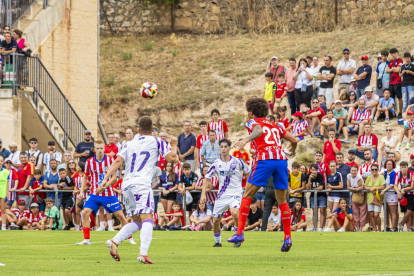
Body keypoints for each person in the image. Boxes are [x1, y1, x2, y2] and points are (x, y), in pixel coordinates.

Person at [227, 97, 300, 251]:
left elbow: (258, 130)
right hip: (280, 160)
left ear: (251, 112)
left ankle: (239, 233)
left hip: (264, 160)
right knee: (282, 201)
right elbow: (294, 139)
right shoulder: (275, 125)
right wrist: (292, 150)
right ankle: (287, 238)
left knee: (247, 195)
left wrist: (246, 139)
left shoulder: (252, 122)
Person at [103, 118, 176, 263]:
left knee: (137, 221)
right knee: (148, 219)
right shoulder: (157, 141)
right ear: (153, 129)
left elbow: (118, 161)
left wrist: (105, 178)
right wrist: (173, 144)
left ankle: (115, 241)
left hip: (127, 184)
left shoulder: (128, 143)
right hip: (142, 183)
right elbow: (171, 158)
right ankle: (143, 253)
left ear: (138, 129)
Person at [75, 140, 128, 245]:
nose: (99, 151)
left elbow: (114, 178)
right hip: (94, 193)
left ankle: (130, 237)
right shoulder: (89, 161)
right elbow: (85, 176)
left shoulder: (109, 160)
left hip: (108, 194)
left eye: (101, 148)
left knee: (120, 215)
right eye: (97, 148)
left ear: (104, 149)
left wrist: (105, 186)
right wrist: (81, 191)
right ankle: (86, 240)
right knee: (85, 213)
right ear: (94, 149)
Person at [200, 138, 250, 247]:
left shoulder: (238, 161)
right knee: (216, 220)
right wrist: (203, 194)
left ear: (229, 148)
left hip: (236, 193)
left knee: (235, 213)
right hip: (222, 195)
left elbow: (248, 172)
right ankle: (218, 242)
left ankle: (238, 236)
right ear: (219, 149)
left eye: (225, 147)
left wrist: (247, 186)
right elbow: (206, 179)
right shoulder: (215, 163)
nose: (223, 149)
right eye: (221, 147)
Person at [363, 163, 385, 232]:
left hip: (377, 198)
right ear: (371, 170)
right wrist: (369, 189)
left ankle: (379, 228)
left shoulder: (381, 177)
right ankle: (374, 228)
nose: (374, 170)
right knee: (371, 214)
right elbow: (365, 186)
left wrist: (375, 188)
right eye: (373, 169)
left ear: (378, 170)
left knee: (376, 214)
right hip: (370, 198)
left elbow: (383, 186)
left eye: (375, 169)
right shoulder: (369, 177)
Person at [306, 164, 327, 232]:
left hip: (321, 195)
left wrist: (313, 189)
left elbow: (321, 187)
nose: (314, 172)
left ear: (318, 170)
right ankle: (314, 227)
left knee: (322, 211)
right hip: (313, 196)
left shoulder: (320, 175)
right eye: (313, 170)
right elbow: (308, 188)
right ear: (310, 170)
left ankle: (321, 228)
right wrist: (309, 179)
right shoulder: (308, 176)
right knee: (314, 212)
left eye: (315, 170)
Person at [395, 161, 414, 232]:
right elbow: (395, 185)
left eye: (405, 167)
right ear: (400, 168)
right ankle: (408, 228)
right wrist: (398, 192)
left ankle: (401, 223)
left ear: (407, 167)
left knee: (409, 211)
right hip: (403, 195)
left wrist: (403, 189)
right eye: (402, 167)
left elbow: (412, 187)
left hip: (411, 195)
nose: (403, 169)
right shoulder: (398, 174)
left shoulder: (412, 174)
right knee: (406, 212)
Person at [347, 165, 367, 232]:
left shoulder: (359, 177)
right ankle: (356, 226)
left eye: (355, 170)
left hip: (361, 195)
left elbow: (360, 187)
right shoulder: (348, 176)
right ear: (350, 171)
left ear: (357, 171)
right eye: (352, 170)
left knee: (362, 212)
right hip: (354, 195)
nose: (353, 172)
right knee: (355, 212)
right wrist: (355, 189)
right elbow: (348, 187)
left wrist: (355, 189)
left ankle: (360, 227)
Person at [381, 159, 398, 231]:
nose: (388, 165)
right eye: (387, 164)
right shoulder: (384, 173)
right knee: (386, 211)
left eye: (390, 164)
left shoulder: (394, 173)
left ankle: (393, 227)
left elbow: (392, 185)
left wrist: (384, 190)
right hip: (385, 195)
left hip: (392, 195)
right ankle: (387, 226)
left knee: (393, 212)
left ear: (393, 165)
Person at [386, 48, 403, 118]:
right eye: (392, 53)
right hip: (391, 82)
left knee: (399, 97)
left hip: (398, 81)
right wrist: (393, 68)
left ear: (397, 53)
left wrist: (391, 69)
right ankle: (394, 112)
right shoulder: (390, 61)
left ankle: (400, 112)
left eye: (394, 53)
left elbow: (398, 70)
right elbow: (387, 70)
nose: (393, 55)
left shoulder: (400, 60)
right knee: (392, 98)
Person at [73, 162, 87, 231]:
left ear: (81, 168)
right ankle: (77, 227)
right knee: (77, 211)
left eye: (77, 166)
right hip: (78, 195)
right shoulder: (76, 175)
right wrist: (75, 190)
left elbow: (87, 187)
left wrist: (78, 191)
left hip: (85, 195)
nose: (76, 167)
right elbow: (75, 185)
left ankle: (85, 226)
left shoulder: (86, 175)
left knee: (85, 211)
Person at [0, 156, 9, 230]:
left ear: (3, 162)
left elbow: (7, 183)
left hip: (3, 193)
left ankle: (3, 226)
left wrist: (7, 193)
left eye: (1, 161)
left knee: (3, 209)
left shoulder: (6, 171)